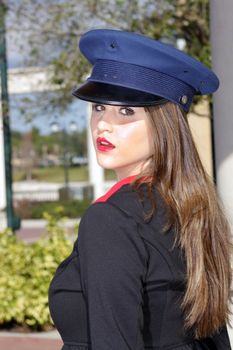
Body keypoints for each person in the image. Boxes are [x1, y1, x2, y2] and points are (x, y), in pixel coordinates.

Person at [48, 29, 232, 350]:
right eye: (98, 108)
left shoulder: (111, 219)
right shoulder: (193, 207)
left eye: (126, 111)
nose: (103, 124)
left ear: (164, 124)